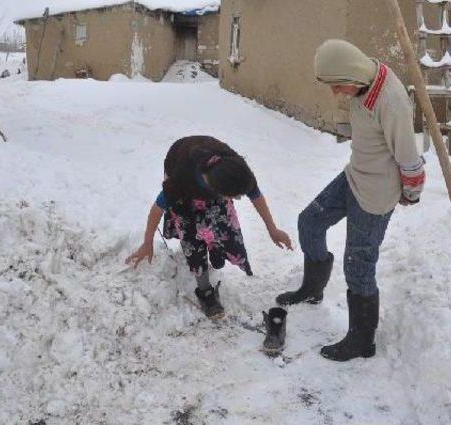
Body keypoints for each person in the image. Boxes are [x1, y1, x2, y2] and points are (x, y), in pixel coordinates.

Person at [276, 40, 425, 361]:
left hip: (376, 194)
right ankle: (313, 289)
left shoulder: (391, 103)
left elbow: (410, 157)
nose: (335, 93)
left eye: (337, 86)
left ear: (352, 74)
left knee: (358, 266)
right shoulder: (364, 80)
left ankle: (362, 341)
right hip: (355, 175)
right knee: (310, 220)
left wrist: (411, 192)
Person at [127, 135, 292, 319]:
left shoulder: (236, 169)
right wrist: (147, 242)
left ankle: (215, 248)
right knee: (191, 237)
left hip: (207, 172)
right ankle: (205, 291)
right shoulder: (179, 182)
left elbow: (256, 195)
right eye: (234, 196)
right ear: (217, 190)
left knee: (224, 227)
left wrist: (272, 229)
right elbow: (157, 209)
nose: (237, 199)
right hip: (181, 171)